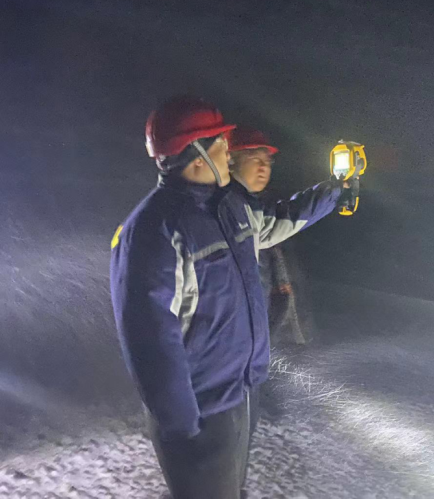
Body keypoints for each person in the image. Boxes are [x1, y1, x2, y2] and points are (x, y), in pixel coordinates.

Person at [109, 96, 349, 499]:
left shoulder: (229, 208)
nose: (229, 153)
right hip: (200, 410)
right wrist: (182, 422)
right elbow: (149, 337)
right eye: (221, 145)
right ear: (197, 156)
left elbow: (280, 220)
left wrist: (333, 193)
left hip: (240, 392)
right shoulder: (155, 230)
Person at [227, 127, 309, 345]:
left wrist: (336, 189)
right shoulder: (225, 213)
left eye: (267, 161)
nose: (263, 167)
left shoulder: (267, 208)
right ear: (231, 160)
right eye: (254, 159)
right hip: (247, 338)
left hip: (276, 333)